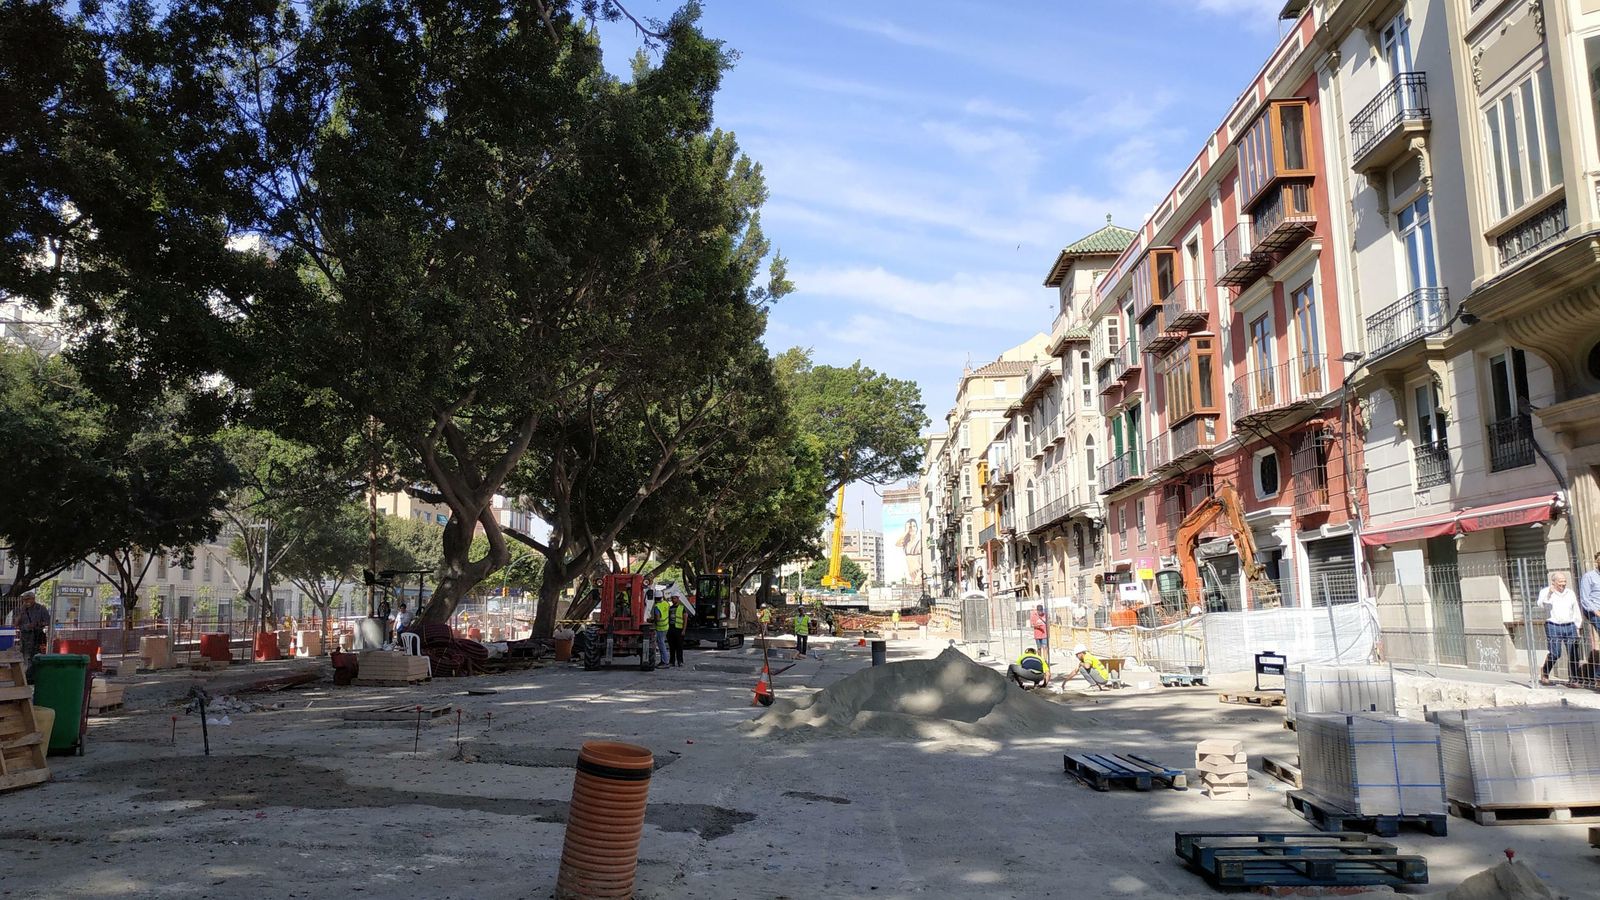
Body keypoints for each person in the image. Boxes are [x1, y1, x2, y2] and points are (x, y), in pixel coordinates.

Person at [1538, 570, 1582, 685]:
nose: (1563, 584)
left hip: (1570, 625)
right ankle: (1545, 671)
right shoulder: (1545, 592)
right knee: (1555, 653)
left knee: (1573, 653)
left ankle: (1574, 679)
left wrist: (1578, 625)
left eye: (1564, 582)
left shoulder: (1570, 593)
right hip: (1553, 625)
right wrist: (1549, 594)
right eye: (1560, 582)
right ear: (1553, 583)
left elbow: (1575, 609)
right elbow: (1541, 605)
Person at [14, 591, 51, 667]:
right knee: (25, 656)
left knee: (37, 655)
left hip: (37, 636)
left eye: (28, 599)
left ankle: (35, 672)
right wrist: (21, 612)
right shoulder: (20, 609)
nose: (26, 601)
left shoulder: (41, 609)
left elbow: (48, 621)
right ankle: (27, 674)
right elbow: (15, 623)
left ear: (33, 599)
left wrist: (36, 624)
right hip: (25, 637)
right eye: (25, 599)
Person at [1580, 553, 1600, 645]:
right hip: (1596, 611)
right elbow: (1585, 598)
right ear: (1597, 562)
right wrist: (1596, 611)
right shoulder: (1589, 576)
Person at [650, 589, 671, 668]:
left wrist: (651, 620)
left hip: (660, 628)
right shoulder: (666, 603)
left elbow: (658, 619)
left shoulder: (657, 607)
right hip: (666, 626)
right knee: (662, 644)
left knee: (661, 645)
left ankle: (665, 662)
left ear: (655, 598)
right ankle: (664, 661)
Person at [667, 597, 687, 668]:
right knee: (672, 647)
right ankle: (672, 662)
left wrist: (684, 630)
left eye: (674, 598)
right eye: (672, 598)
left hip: (679, 630)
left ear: (678, 599)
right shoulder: (670, 608)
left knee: (679, 646)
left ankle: (680, 661)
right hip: (671, 629)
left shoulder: (682, 608)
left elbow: (685, 619)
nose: (673, 600)